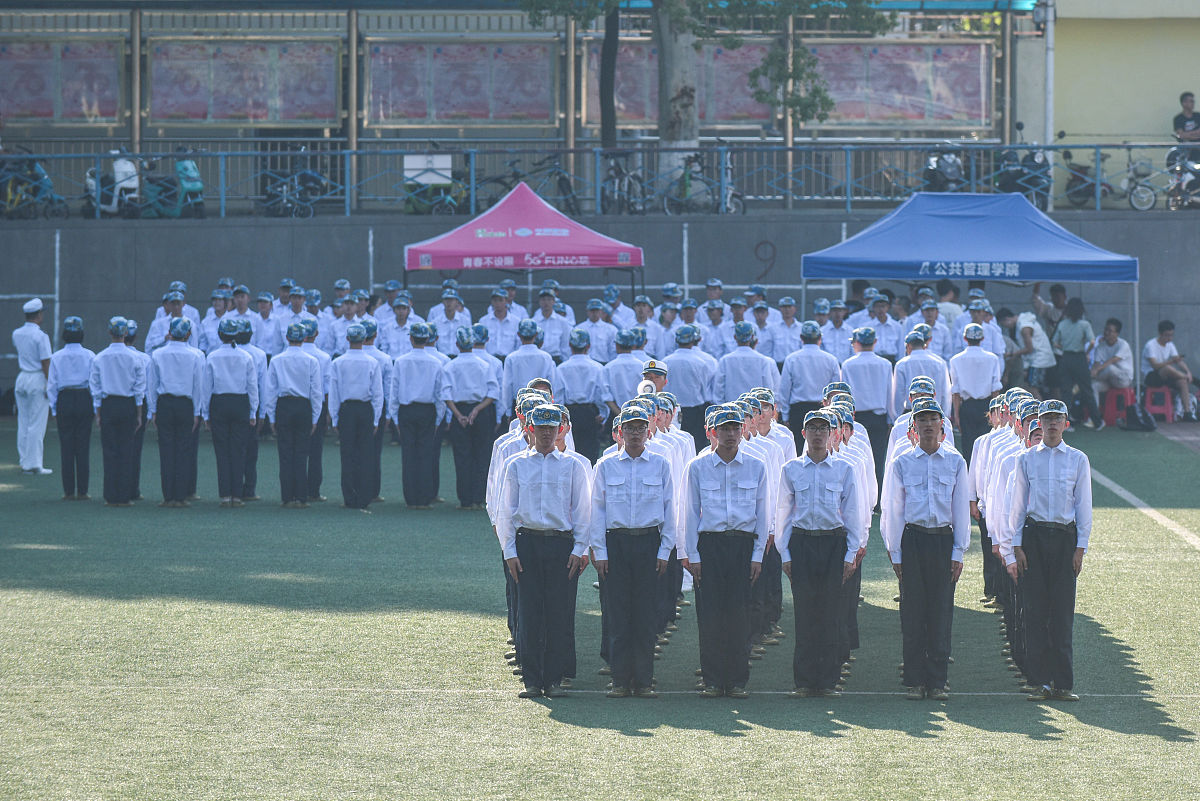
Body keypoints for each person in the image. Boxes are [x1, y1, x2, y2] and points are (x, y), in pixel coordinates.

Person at [496, 403, 591, 699]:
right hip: (527, 543)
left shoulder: (573, 466)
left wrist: (579, 548)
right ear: (530, 430)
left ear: (560, 430)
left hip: (561, 544)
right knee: (529, 611)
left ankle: (554, 679)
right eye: (541, 428)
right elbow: (505, 511)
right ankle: (532, 680)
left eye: (552, 428)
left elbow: (584, 512)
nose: (547, 434)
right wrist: (509, 551)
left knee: (558, 613)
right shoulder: (516, 465)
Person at [880, 398, 970, 701]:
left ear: (942, 425)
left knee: (942, 611)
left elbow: (960, 511)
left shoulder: (955, 461)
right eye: (922, 419)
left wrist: (959, 551)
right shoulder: (901, 461)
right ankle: (915, 680)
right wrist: (895, 552)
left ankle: (938, 681)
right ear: (914, 426)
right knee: (913, 612)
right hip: (913, 539)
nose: (928, 424)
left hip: (943, 540)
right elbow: (893, 509)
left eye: (933, 419)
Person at [1006, 399, 1092, 703]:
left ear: (1066, 423)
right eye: (1046, 419)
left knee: (1062, 613)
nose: (1052, 424)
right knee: (1035, 611)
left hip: (1065, 539)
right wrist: (1016, 544)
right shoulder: (1026, 459)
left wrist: (1080, 548)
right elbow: (1017, 505)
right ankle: (1039, 681)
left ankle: (1063, 684)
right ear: (1037, 424)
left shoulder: (1078, 459)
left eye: (1057, 419)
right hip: (1035, 538)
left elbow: (1084, 507)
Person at [590, 406, 677, 698]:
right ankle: (618, 679)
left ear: (648, 431)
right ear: (620, 432)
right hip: (616, 544)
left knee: (645, 614)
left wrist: (665, 551)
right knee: (617, 614)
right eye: (630, 428)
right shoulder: (605, 465)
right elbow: (597, 511)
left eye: (641, 428)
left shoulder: (661, 464)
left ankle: (643, 680)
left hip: (648, 544)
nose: (636, 433)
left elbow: (669, 510)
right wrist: (599, 551)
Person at [684, 404, 769, 699]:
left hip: (743, 545)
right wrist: (692, 555)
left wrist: (758, 555)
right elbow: (691, 513)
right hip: (710, 544)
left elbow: (763, 513)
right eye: (724, 429)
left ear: (743, 430)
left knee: (739, 615)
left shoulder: (757, 466)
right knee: (710, 615)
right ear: (713, 433)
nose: (731, 434)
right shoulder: (697, 467)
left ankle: (735, 681)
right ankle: (711, 679)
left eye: (735, 428)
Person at [776, 410, 863, 698]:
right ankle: (803, 681)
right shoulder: (791, 469)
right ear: (803, 434)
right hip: (802, 544)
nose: (817, 433)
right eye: (811, 428)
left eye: (822, 428)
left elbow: (852, 515)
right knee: (804, 613)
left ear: (832, 434)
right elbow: (783, 516)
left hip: (832, 544)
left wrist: (851, 555)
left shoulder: (844, 469)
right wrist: (785, 554)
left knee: (830, 614)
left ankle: (827, 681)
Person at [262, 321, 322, 508]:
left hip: (284, 405)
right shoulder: (311, 361)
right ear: (305, 338)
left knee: (285, 452)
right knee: (302, 453)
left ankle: (287, 497)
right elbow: (316, 392)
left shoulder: (276, 360)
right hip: (303, 406)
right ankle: (301, 497)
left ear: (287, 338)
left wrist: (271, 417)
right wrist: (315, 417)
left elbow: (270, 391)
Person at [439, 327, 499, 509]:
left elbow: (446, 395)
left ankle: (465, 500)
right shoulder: (484, 365)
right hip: (481, 411)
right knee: (481, 455)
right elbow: (493, 392)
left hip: (460, 412)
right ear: (473, 343)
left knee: (462, 456)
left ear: (457, 344)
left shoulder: (450, 366)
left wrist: (458, 415)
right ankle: (478, 498)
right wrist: (477, 410)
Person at [89, 317, 146, 507]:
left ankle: (109, 496)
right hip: (128, 405)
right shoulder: (135, 358)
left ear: (109, 332)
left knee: (110, 451)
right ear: (125, 334)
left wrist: (98, 412)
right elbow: (139, 388)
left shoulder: (100, 357)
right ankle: (124, 496)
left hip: (108, 405)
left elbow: (95, 388)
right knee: (126, 451)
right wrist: (139, 413)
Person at [147, 317, 204, 508]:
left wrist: (153, 410)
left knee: (166, 451)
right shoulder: (196, 355)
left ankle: (167, 496)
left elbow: (152, 385)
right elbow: (198, 386)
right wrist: (197, 411)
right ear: (189, 334)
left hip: (165, 403)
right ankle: (180, 496)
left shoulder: (157, 354)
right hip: (185, 404)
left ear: (170, 332)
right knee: (184, 450)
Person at [202, 317, 258, 508]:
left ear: (220, 335)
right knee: (239, 450)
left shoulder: (212, 356)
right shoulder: (246, 356)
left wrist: (205, 414)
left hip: (219, 403)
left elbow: (206, 388)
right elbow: (252, 386)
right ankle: (238, 495)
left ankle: (225, 495)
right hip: (240, 402)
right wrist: (253, 412)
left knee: (222, 451)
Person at [330, 323, 384, 512]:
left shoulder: (338, 362)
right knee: (366, 455)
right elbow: (378, 394)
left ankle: (349, 497)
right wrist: (376, 419)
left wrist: (335, 418)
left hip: (346, 410)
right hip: (365, 409)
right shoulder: (372, 362)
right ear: (364, 339)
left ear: (347, 339)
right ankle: (364, 497)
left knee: (347, 455)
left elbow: (334, 392)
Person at [391, 322, 445, 509]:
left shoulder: (400, 361)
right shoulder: (436, 362)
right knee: (425, 454)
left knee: (408, 454)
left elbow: (394, 391)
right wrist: (438, 418)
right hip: (427, 410)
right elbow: (440, 395)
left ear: (411, 338)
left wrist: (395, 417)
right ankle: (424, 498)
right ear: (428, 339)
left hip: (407, 410)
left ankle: (410, 498)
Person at [47, 316, 95, 499]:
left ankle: (68, 491)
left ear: (64, 335)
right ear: (81, 333)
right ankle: (83, 491)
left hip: (64, 399)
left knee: (66, 447)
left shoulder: (56, 356)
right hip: (84, 398)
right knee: (83, 446)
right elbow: (94, 383)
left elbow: (51, 385)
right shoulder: (90, 355)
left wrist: (54, 409)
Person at [840, 326, 892, 486]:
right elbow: (890, 393)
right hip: (879, 417)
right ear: (874, 342)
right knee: (878, 458)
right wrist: (891, 418)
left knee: (856, 456)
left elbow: (845, 396)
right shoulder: (885, 364)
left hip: (857, 417)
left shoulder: (849, 364)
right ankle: (877, 498)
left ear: (856, 343)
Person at [553, 329, 610, 464]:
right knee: (589, 454)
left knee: (569, 452)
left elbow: (559, 395)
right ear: (588, 346)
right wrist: (603, 414)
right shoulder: (597, 367)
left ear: (570, 345)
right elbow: (600, 394)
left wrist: (559, 417)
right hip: (589, 413)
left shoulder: (561, 368)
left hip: (569, 412)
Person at [779, 320, 841, 444]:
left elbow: (784, 390)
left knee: (798, 451)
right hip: (823, 411)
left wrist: (785, 416)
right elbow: (835, 393)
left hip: (798, 411)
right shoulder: (831, 360)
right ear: (820, 338)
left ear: (801, 338)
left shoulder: (792, 359)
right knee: (822, 450)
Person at [949, 323, 1003, 462]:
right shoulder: (992, 358)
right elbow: (995, 390)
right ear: (983, 338)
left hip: (967, 406)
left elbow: (956, 392)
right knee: (987, 446)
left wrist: (956, 414)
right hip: (987, 405)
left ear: (965, 338)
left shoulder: (956, 360)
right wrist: (996, 413)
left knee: (969, 446)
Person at [12, 297, 53, 475]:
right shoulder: (41, 336)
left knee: (24, 421)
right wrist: (50, 384)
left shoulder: (16, 333)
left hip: (22, 377)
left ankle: (24, 461)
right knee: (37, 423)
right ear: (38, 315)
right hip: (37, 378)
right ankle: (34, 464)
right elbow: (46, 363)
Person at [1049, 297, 1103, 429]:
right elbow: (1092, 342)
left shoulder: (1062, 324)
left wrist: (1064, 348)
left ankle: (1064, 425)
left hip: (1066, 358)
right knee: (1087, 390)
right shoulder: (1085, 324)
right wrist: (1086, 352)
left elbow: (1055, 342)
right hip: (1079, 358)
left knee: (1066, 392)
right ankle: (1097, 422)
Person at [663, 325, 717, 451]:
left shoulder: (666, 361)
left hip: (671, 410)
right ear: (694, 340)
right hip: (695, 410)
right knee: (696, 446)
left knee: (673, 445)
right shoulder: (700, 362)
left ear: (676, 340)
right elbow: (704, 389)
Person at [1143, 319, 1197, 421]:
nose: (1169, 338)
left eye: (1171, 335)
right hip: (1151, 377)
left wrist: (1188, 371)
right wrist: (1171, 362)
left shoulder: (1170, 345)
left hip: (1165, 376)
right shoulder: (1150, 345)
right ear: (1160, 333)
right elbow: (1155, 366)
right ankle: (1189, 378)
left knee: (1182, 382)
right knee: (1167, 368)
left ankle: (1187, 412)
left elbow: (1178, 360)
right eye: (1167, 335)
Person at [501, 320, 557, 417]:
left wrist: (508, 410)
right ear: (536, 334)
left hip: (519, 406)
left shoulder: (511, 358)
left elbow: (507, 386)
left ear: (518, 335)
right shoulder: (546, 357)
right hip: (542, 404)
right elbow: (552, 384)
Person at [714, 321, 780, 401]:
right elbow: (768, 388)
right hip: (755, 409)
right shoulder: (762, 360)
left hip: (732, 409)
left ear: (735, 337)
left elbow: (719, 389)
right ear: (752, 337)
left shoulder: (725, 360)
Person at [1090, 318, 1134, 408]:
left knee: (1110, 368)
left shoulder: (1123, 344)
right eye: (1106, 329)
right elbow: (1096, 364)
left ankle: (1087, 380)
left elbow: (1113, 360)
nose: (1106, 332)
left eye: (1110, 331)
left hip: (1123, 379)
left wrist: (1096, 371)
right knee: (1093, 386)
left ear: (1116, 334)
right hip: (1108, 380)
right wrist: (1094, 370)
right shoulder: (1100, 347)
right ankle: (1095, 418)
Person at [1174, 91, 1200, 159]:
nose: (1193, 103)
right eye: (1191, 101)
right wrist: (1196, 133)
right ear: (1184, 103)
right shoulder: (1178, 119)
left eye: (1193, 101)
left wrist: (1187, 134)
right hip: (1186, 151)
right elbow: (1181, 135)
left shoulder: (1198, 116)